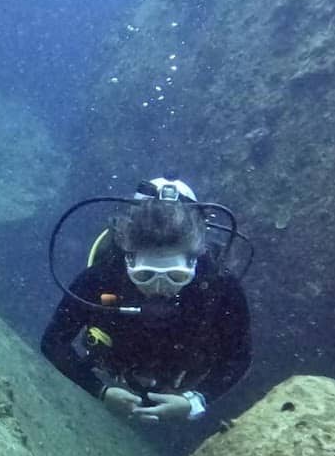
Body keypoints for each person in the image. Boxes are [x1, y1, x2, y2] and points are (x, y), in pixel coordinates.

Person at [40, 177, 250, 424]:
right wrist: (100, 390)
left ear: (194, 262)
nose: (159, 289)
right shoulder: (103, 277)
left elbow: (238, 356)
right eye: (145, 275)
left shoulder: (218, 286)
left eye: (175, 276)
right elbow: (54, 341)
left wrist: (194, 401)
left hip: (181, 371)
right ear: (128, 260)